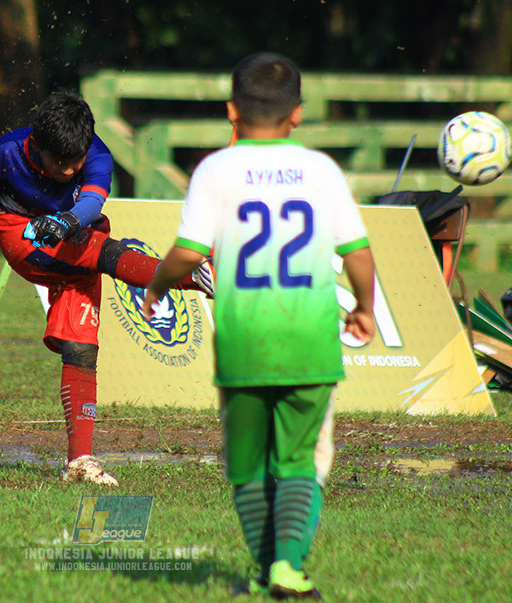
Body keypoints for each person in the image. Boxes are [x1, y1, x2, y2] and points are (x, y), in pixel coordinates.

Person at [140, 53, 376, 599]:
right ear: (297, 114)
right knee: (301, 459)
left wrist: (155, 286)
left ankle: (264, 566)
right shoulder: (321, 171)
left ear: (231, 110)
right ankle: (286, 568)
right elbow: (357, 252)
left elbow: (188, 252)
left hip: (242, 342)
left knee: (247, 465)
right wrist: (362, 306)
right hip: (309, 339)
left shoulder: (214, 171)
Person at [0, 92, 214, 487]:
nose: (67, 171)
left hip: (72, 237)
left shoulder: (96, 152)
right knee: (103, 251)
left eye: (74, 163)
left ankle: (79, 460)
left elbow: (92, 205)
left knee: (80, 349)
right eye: (57, 162)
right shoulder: (4, 152)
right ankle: (194, 274)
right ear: (37, 145)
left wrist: (65, 222)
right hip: (22, 237)